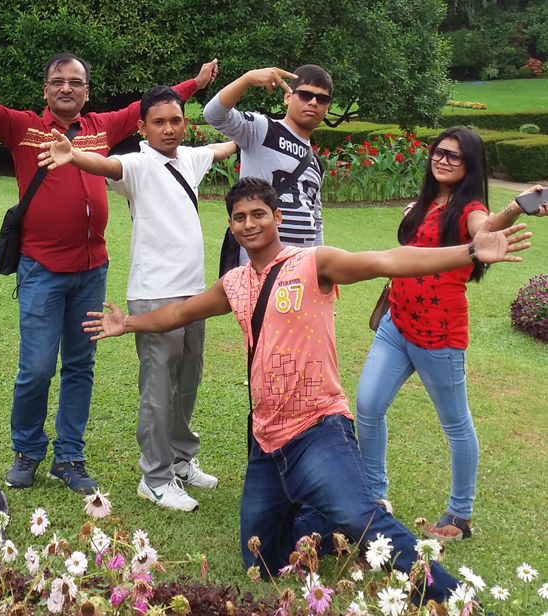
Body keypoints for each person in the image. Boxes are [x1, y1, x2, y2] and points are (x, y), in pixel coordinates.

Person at [81, 177, 530, 607]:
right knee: (260, 559)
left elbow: (388, 260)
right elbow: (181, 313)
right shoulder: (234, 283)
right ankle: (334, 519)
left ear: (277, 217)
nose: (250, 224)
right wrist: (129, 322)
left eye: (259, 214)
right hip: (265, 439)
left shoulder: (314, 264)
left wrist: (470, 252)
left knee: (364, 519)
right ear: (231, 225)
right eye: (240, 217)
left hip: (318, 427)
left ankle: (455, 599)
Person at [0, 37, 220, 494]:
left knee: (81, 366)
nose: (67, 87)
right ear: (45, 90)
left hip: (92, 270)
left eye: (76, 82)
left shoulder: (101, 127)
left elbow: (150, 106)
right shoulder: (22, 127)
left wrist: (196, 83)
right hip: (41, 269)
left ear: (87, 91)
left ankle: (69, 457)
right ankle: (27, 451)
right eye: (58, 81)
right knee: (37, 368)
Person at [37, 85, 236, 511]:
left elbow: (222, 148)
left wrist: (255, 133)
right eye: (158, 122)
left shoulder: (190, 159)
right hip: (153, 294)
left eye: (176, 121)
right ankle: (156, 477)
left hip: (193, 292)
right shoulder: (138, 165)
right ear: (142, 127)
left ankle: (181, 459)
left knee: (188, 380)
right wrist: (74, 155)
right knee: (158, 388)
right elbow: (106, 165)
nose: (168, 129)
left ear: (185, 123)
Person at [355, 126, 548, 540]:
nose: (443, 160)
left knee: (456, 424)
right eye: (439, 152)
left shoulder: (469, 209)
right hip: (396, 323)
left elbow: (485, 228)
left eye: (454, 156)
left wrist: (515, 208)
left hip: (438, 335)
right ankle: (374, 496)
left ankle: (460, 515)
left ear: (470, 164)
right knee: (368, 404)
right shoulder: (425, 201)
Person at [203, 65, 332, 269]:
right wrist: (247, 78)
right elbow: (213, 115)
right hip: (260, 265)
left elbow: (315, 218)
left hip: (301, 268)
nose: (313, 102)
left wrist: (319, 268)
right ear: (288, 97)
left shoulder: (315, 162)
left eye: (322, 99)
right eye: (305, 95)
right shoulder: (263, 130)